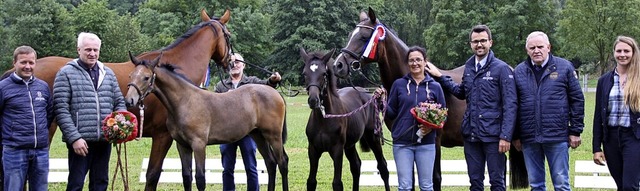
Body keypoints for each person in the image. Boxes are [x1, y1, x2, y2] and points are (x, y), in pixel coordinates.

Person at [424, 25, 517, 191]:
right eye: (475, 41)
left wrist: (506, 136)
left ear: (490, 42)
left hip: (494, 136)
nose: (479, 45)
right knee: (475, 183)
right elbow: (461, 93)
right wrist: (440, 76)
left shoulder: (501, 69)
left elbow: (510, 105)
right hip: (471, 135)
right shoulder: (469, 68)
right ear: (470, 44)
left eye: (483, 41)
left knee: (497, 183)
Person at [53, 32, 126, 191]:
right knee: (76, 184)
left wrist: (119, 124)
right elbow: (61, 109)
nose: (92, 53)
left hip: (104, 140)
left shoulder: (108, 73)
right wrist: (74, 138)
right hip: (81, 142)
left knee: (100, 183)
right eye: (88, 50)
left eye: (95, 50)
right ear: (78, 50)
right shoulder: (66, 74)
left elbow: (119, 101)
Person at [512, 31, 584, 191]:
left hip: (557, 136)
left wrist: (575, 130)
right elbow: (513, 106)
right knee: (536, 185)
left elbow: (577, 100)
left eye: (540, 47)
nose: (536, 50)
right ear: (527, 50)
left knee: (561, 183)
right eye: (532, 47)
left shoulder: (564, 67)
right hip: (529, 138)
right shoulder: (519, 72)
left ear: (548, 47)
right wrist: (516, 135)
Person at [375, 46, 446, 191]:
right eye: (411, 60)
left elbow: (443, 115)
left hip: (426, 144)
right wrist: (382, 102)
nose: (415, 63)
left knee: (426, 186)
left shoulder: (435, 87)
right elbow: (392, 113)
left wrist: (431, 126)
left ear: (425, 62)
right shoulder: (399, 85)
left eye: (418, 60)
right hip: (402, 144)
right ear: (407, 63)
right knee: (405, 186)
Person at [214, 53, 281, 191]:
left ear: (244, 65)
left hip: (249, 133)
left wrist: (273, 80)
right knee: (227, 169)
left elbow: (266, 86)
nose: (235, 65)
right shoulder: (220, 86)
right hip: (226, 133)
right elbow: (214, 108)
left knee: (251, 168)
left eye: (238, 62)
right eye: (231, 62)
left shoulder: (251, 81)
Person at [0, 46, 53, 190]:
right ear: (14, 63)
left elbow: (48, 114)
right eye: (23, 62)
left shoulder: (43, 87)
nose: (27, 66)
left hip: (40, 151)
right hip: (14, 151)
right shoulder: (3, 88)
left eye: (31, 63)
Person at [592, 36, 640, 191]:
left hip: (634, 137)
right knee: (620, 185)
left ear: (633, 53)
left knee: (629, 186)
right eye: (619, 51)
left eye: (626, 51)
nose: (622, 54)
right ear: (614, 53)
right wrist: (596, 147)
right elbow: (598, 115)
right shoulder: (604, 80)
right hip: (611, 138)